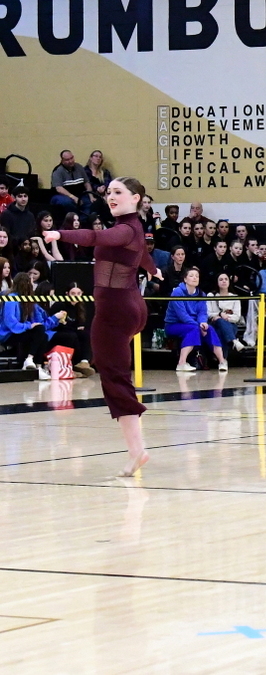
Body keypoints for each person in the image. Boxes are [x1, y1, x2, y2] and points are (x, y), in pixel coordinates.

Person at [42, 177, 161, 476]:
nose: (111, 196)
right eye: (109, 192)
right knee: (114, 374)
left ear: (136, 198)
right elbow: (143, 254)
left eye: (118, 192)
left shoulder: (125, 229)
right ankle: (137, 450)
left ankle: (137, 451)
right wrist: (153, 269)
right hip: (130, 307)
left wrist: (60, 233)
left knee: (115, 379)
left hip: (115, 312)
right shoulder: (134, 229)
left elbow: (94, 237)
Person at [166, 267, 228, 372]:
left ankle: (222, 361)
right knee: (193, 329)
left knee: (209, 329)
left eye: (197, 276)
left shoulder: (201, 294)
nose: (194, 278)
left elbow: (202, 312)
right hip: (174, 324)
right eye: (191, 276)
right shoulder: (177, 292)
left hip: (194, 324)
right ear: (185, 279)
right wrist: (198, 326)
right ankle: (181, 363)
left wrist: (202, 322)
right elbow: (182, 315)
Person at [48, 285, 96, 378]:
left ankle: (84, 362)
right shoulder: (60, 305)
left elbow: (79, 324)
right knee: (72, 336)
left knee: (85, 334)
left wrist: (76, 327)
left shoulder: (80, 307)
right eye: (73, 293)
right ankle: (71, 366)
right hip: (56, 331)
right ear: (67, 294)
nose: (76, 296)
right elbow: (58, 325)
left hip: (70, 330)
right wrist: (74, 327)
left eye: (78, 293)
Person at [207, 272, 245, 356]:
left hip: (231, 325)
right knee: (220, 322)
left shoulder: (235, 297)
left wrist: (225, 317)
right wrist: (220, 314)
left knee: (221, 330)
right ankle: (234, 341)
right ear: (217, 282)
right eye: (221, 280)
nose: (224, 281)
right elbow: (209, 313)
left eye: (226, 279)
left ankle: (222, 360)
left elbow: (237, 317)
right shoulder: (211, 295)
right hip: (215, 324)